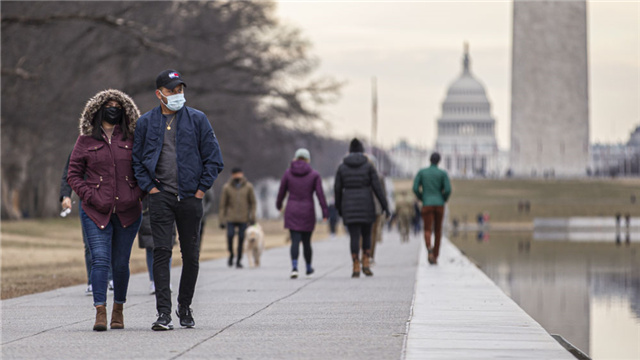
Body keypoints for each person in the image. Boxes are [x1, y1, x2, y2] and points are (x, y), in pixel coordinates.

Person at [133, 69, 224, 331]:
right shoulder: (146, 123)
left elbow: (214, 159)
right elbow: (137, 161)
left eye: (180, 89)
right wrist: (150, 188)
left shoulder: (198, 119)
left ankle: (184, 306)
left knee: (191, 256)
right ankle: (163, 314)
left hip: (190, 199)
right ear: (159, 93)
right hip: (160, 198)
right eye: (172, 90)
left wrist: (200, 191)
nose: (177, 94)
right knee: (161, 253)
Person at [67, 89, 143, 331]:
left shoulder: (133, 138)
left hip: (128, 211)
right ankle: (100, 310)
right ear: (98, 110)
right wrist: (90, 195)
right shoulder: (85, 141)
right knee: (100, 259)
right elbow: (73, 175)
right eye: (108, 105)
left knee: (120, 263)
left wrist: (135, 193)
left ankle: (118, 308)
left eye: (117, 106)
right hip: (94, 210)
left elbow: (144, 170)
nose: (113, 109)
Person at [60, 152, 113, 295]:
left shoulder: (112, 142)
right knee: (90, 242)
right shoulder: (80, 147)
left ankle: (111, 277)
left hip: (111, 197)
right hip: (87, 199)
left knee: (111, 238)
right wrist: (66, 196)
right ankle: (92, 281)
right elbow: (69, 173)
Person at [334, 138, 389, 278]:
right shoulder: (368, 166)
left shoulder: (342, 167)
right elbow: (377, 188)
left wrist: (339, 207)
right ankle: (366, 261)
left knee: (354, 236)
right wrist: (385, 206)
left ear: (350, 150)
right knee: (366, 234)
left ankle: (355, 264)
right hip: (366, 204)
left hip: (349, 204)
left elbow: (337, 189)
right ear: (362, 151)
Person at [276, 148, 329, 278]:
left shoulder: (288, 173)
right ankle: (308, 267)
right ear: (308, 159)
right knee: (307, 242)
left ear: (295, 158)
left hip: (292, 210)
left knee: (295, 241)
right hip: (308, 211)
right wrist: (325, 212)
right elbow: (320, 194)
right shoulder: (314, 175)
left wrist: (279, 205)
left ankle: (294, 267)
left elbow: (281, 192)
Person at [412, 152, 451, 265]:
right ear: (439, 161)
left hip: (427, 203)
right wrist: (443, 198)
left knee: (427, 229)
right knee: (438, 230)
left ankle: (429, 248)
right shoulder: (442, 173)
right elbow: (448, 190)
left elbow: (415, 188)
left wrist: (422, 197)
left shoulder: (422, 172)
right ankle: (435, 255)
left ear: (429, 160)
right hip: (439, 204)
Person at [219, 167, 256, 269]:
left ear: (242, 174)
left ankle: (239, 260)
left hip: (244, 218)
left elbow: (252, 203)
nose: (237, 176)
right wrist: (222, 220)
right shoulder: (227, 187)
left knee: (241, 239)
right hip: (231, 217)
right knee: (230, 236)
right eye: (235, 174)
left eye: (239, 174)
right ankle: (231, 254)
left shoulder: (248, 187)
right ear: (232, 175)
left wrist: (252, 217)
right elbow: (223, 205)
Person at [137, 196, 176, 295]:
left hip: (166, 208)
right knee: (151, 248)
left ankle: (165, 278)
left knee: (165, 248)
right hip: (148, 210)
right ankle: (154, 280)